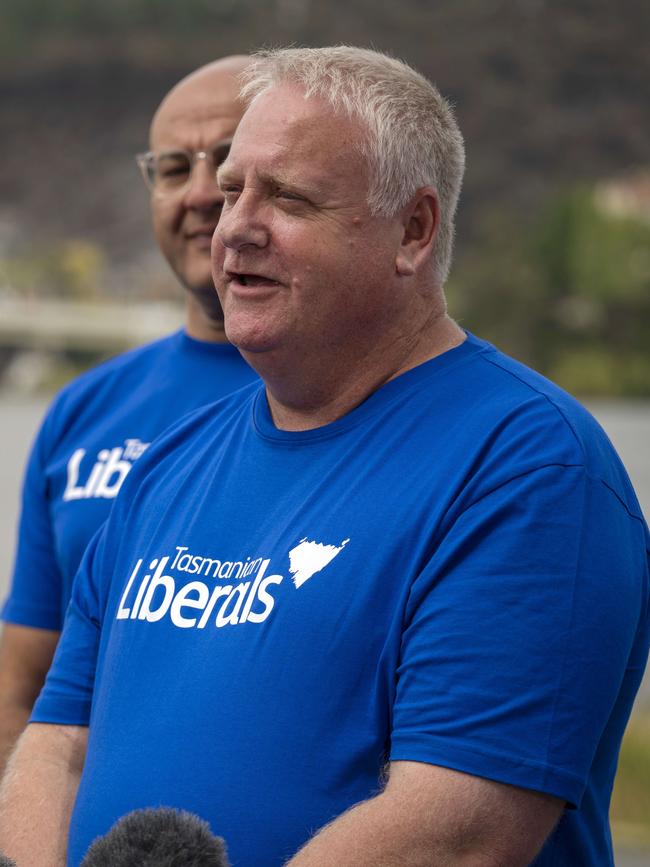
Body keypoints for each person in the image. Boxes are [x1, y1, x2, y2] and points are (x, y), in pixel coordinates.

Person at [1, 46, 648, 867]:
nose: (232, 224)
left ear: (412, 230)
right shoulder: (170, 466)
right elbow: (58, 740)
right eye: (234, 189)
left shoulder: (527, 468)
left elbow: (457, 832)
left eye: (288, 197)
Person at [0, 55, 258, 773]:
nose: (202, 193)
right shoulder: (84, 411)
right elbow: (20, 686)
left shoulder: (352, 398)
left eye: (231, 160)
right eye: (174, 169)